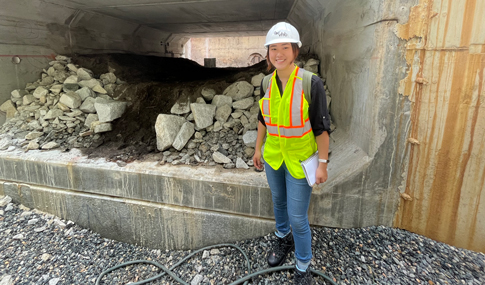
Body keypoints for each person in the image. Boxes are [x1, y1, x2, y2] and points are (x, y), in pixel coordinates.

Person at [253, 22, 331, 285]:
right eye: (273, 48)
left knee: (298, 217)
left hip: (299, 160)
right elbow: (263, 119)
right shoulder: (266, 82)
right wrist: (257, 150)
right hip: (274, 157)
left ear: (294, 51)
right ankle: (282, 238)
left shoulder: (311, 83)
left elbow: (321, 129)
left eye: (284, 47)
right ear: (268, 53)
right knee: (279, 204)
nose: (278, 53)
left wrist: (322, 164)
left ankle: (303, 264)